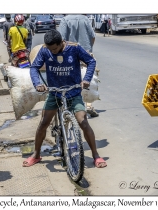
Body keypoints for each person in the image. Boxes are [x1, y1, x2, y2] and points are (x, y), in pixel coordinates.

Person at [25, 29, 107, 168]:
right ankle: (36, 155)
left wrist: (86, 79)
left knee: (83, 122)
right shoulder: (45, 50)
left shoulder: (74, 48)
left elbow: (91, 61)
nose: (53, 52)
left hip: (73, 93)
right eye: (51, 50)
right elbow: (34, 68)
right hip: (54, 93)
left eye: (55, 49)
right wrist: (37, 84)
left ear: (62, 43)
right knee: (43, 123)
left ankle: (96, 155)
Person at [58, 14, 99, 117]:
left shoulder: (65, 20)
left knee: (70, 78)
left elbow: (61, 39)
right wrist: (88, 49)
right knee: (88, 76)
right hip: (86, 51)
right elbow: (92, 37)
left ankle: (71, 105)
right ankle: (88, 105)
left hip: (69, 54)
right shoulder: (85, 19)